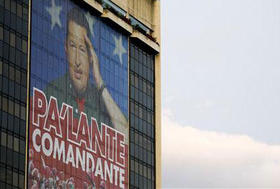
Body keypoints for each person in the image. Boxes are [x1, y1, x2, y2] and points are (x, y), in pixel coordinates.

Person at [44, 7, 128, 138]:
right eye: (72, 46)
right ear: (66, 48)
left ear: (90, 56)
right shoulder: (52, 91)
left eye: (82, 49)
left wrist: (100, 82)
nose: (77, 60)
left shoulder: (101, 101)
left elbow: (126, 138)